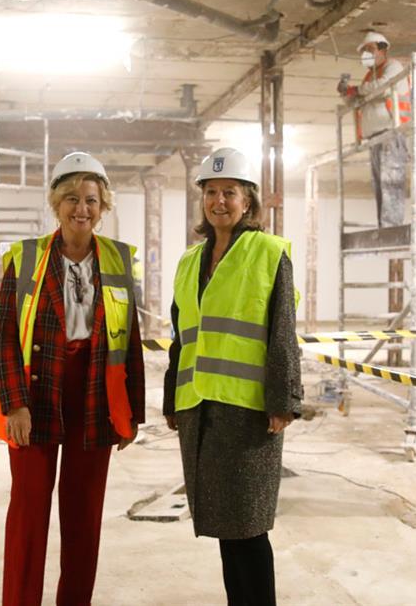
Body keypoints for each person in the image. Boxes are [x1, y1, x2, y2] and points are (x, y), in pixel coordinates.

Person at [0, 151, 146, 606]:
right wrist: (15, 403)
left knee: (83, 521)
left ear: (104, 207)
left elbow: (130, 340)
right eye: (73, 198)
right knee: (29, 516)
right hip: (36, 394)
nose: (82, 209)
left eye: (92, 200)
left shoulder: (117, 259)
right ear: (56, 204)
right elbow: (1, 338)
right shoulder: (28, 258)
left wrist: (131, 413)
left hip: (96, 396)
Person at [163, 146, 303, 606]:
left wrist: (283, 400)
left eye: (230, 192)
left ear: (248, 202)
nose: (219, 201)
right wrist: (172, 400)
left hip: (248, 413)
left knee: (249, 528)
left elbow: (283, 330)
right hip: (200, 409)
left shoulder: (268, 252)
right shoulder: (190, 261)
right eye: (211, 192)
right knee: (226, 528)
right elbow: (181, 337)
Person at [337, 30, 412, 228]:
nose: (366, 54)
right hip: (375, 137)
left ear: (383, 49)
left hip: (391, 132)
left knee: (391, 180)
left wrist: (358, 90)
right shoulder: (370, 76)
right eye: (364, 51)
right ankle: (384, 225)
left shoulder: (393, 67)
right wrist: (347, 93)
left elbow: (385, 87)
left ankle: (392, 226)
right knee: (380, 183)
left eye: (369, 49)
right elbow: (360, 99)